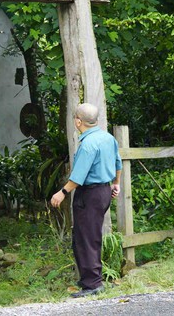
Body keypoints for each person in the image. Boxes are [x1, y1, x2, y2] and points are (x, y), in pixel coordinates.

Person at [50, 102, 122, 298]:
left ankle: (92, 284)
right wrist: (116, 183)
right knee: (91, 235)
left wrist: (62, 192)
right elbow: (118, 162)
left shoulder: (88, 144)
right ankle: (90, 279)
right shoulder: (108, 138)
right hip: (104, 192)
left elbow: (78, 177)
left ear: (78, 121)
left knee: (86, 239)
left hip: (89, 194)